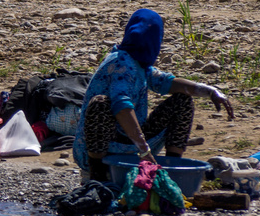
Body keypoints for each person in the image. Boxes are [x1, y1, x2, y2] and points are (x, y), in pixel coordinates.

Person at [73, 9, 235, 181]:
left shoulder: (140, 65)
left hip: (129, 143)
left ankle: (173, 168)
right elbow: (121, 106)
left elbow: (167, 82)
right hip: (103, 146)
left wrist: (210, 91)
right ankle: (96, 175)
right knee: (100, 104)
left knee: (182, 101)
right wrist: (143, 148)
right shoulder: (120, 63)